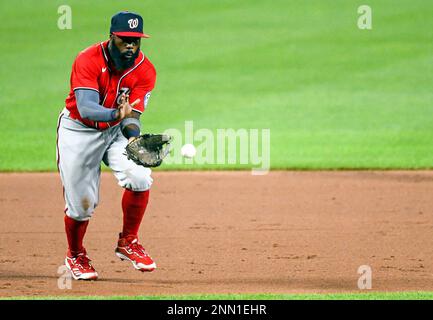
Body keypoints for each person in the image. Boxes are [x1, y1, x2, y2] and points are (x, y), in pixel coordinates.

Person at [56, 11, 157, 280]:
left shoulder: (145, 70)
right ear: (112, 36)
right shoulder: (88, 59)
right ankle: (75, 254)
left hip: (115, 133)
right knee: (81, 205)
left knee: (139, 175)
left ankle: (129, 242)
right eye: (125, 40)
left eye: (136, 41)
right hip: (79, 130)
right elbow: (87, 108)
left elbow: (131, 117)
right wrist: (116, 114)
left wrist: (134, 137)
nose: (131, 46)